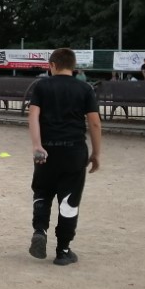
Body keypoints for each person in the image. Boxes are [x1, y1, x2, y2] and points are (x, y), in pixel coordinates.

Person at [27, 47, 102, 266]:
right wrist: (96, 153)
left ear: (52, 66)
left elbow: (33, 115)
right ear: (73, 67)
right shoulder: (85, 88)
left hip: (47, 150)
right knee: (68, 201)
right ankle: (63, 250)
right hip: (74, 151)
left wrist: (37, 145)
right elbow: (95, 123)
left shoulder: (41, 86)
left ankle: (39, 230)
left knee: (42, 191)